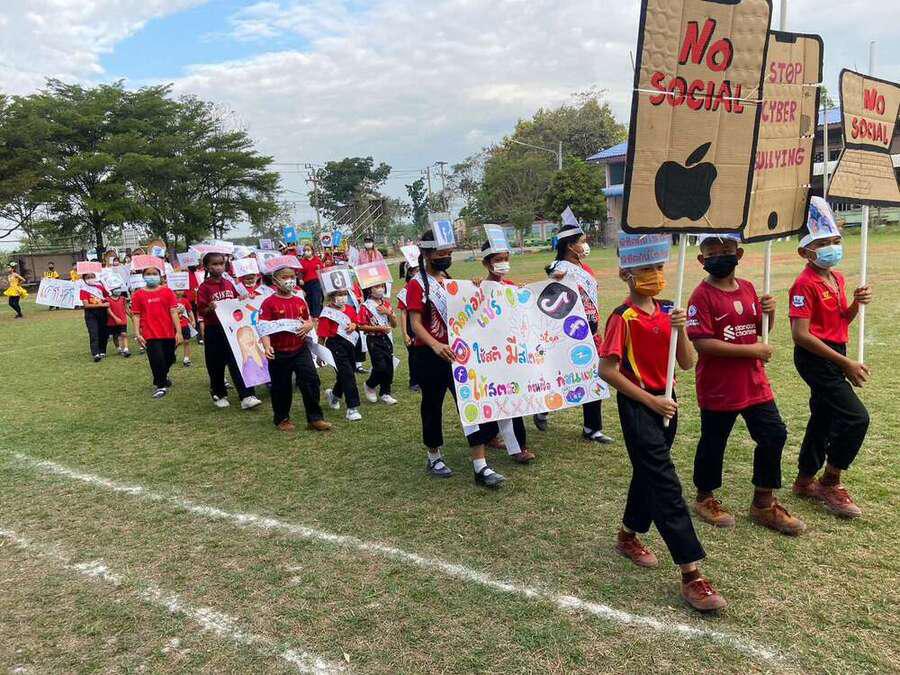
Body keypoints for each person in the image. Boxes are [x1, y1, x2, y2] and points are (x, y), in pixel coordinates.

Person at [598, 234, 725, 612]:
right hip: (640, 407)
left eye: (657, 267)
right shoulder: (622, 317)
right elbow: (607, 370)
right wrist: (649, 400)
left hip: (668, 404)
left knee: (648, 474)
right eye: (645, 269)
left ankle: (627, 535)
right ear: (626, 273)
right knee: (666, 484)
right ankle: (692, 573)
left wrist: (680, 328)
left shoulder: (669, 309)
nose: (654, 274)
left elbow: (686, 362)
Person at [686, 234, 803, 535]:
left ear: (738, 254)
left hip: (753, 382)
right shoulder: (701, 297)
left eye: (726, 250)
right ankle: (704, 497)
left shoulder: (749, 288)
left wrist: (770, 311)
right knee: (714, 442)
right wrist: (752, 351)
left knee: (773, 434)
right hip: (718, 385)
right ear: (701, 260)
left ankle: (763, 502)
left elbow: (761, 330)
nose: (720, 256)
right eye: (712, 252)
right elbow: (702, 343)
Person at [789, 200, 872, 518]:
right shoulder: (803, 284)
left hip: (836, 351)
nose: (831, 248)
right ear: (805, 251)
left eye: (835, 241)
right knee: (856, 417)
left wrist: (856, 304)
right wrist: (844, 364)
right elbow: (801, 335)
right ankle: (830, 480)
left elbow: (840, 321)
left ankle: (804, 480)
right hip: (815, 357)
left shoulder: (836, 278)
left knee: (822, 416)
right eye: (822, 243)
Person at [407, 230, 505, 488]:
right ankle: (434, 456)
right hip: (429, 355)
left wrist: (474, 288)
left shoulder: (450, 281)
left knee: (469, 404)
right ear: (427, 253)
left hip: (457, 354)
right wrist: (435, 345)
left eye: (449, 252)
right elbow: (415, 324)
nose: (446, 257)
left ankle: (480, 465)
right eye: (442, 253)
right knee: (432, 406)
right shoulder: (416, 284)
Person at [544, 222, 612, 443]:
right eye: (581, 241)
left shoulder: (585, 268)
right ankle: (543, 409)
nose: (585, 245)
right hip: (568, 332)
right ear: (569, 245)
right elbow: (551, 283)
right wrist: (555, 275)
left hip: (590, 331)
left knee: (594, 376)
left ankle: (592, 428)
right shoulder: (559, 268)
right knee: (560, 375)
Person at [259, 260, 332, 432]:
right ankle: (282, 419)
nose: (290, 280)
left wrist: (309, 325)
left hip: (300, 349)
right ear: (275, 280)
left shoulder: (299, 301)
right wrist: (267, 346)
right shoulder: (268, 303)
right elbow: (263, 327)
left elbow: (308, 321)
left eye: (292, 277)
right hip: (279, 352)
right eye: (285, 277)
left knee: (311, 381)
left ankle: (315, 419)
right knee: (281, 386)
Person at [480, 240, 535, 464]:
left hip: (512, 352)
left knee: (509, 397)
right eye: (497, 260)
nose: (503, 263)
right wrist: (477, 289)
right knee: (506, 399)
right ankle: (518, 447)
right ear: (486, 263)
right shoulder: (479, 288)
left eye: (505, 259)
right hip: (490, 355)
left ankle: (489, 436)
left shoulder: (510, 286)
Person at [196, 252, 263, 411]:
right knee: (216, 363)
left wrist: (242, 299)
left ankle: (247, 395)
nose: (218, 267)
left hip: (231, 329)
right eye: (214, 264)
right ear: (207, 267)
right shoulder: (204, 288)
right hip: (214, 329)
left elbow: (238, 301)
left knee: (238, 360)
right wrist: (209, 308)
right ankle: (219, 394)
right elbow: (201, 310)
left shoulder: (229, 283)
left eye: (221, 264)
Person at [131, 265, 182, 399]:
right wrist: (137, 333)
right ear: (143, 276)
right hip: (150, 334)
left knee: (170, 358)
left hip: (168, 332)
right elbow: (136, 315)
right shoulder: (138, 295)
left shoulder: (168, 292)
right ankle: (161, 385)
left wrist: (179, 332)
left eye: (154, 273)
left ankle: (162, 376)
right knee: (156, 359)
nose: (151, 276)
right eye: (148, 274)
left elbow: (174, 312)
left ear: (160, 276)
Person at [318, 288, 363, 421]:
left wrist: (354, 325)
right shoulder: (327, 313)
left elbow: (356, 322)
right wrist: (320, 354)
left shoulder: (350, 309)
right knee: (348, 374)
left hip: (350, 344)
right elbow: (322, 336)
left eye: (344, 294)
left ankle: (334, 395)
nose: (342, 297)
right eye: (339, 294)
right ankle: (352, 408)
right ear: (332, 296)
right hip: (335, 345)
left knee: (347, 373)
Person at [358, 283, 398, 405]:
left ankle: (385, 393)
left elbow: (394, 324)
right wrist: (378, 328)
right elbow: (361, 326)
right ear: (369, 289)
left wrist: (388, 313)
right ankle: (370, 385)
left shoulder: (386, 304)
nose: (380, 289)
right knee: (380, 366)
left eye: (382, 286)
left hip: (386, 338)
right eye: (376, 287)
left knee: (389, 366)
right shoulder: (365, 306)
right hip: (373, 339)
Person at [396, 262, 421, 392]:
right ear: (410, 272)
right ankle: (414, 382)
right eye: (416, 270)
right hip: (412, 328)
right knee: (414, 355)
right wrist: (405, 333)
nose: (419, 272)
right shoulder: (405, 290)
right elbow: (403, 313)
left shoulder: (426, 285)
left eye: (420, 269)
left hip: (424, 326)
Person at [78, 272, 110, 361]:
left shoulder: (100, 286)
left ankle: (102, 350)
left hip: (102, 313)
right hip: (91, 314)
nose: (91, 278)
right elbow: (86, 305)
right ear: (84, 279)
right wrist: (101, 305)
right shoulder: (83, 289)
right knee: (93, 333)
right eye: (88, 277)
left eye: (92, 276)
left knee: (103, 332)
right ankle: (95, 353)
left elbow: (106, 296)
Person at [299, 245, 325, 317]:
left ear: (312, 251)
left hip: (316, 282)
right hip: (306, 283)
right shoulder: (302, 262)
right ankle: (310, 315)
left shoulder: (317, 260)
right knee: (309, 299)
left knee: (316, 299)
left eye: (308, 250)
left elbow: (322, 270)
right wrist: (300, 279)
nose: (306, 252)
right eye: (305, 250)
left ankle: (317, 315)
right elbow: (300, 272)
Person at [106, 288, 131, 357]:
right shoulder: (107, 299)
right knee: (115, 336)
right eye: (116, 289)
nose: (118, 290)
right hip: (112, 322)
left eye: (119, 288)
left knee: (124, 334)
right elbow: (108, 310)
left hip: (122, 320)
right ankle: (118, 348)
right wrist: (115, 318)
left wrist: (131, 316)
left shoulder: (123, 299)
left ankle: (126, 349)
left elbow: (126, 308)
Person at [175, 290, 195, 366]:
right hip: (175, 325)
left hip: (185, 324)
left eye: (181, 290)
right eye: (178, 290)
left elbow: (189, 311)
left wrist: (193, 320)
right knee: (176, 342)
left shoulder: (185, 300)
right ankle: (172, 353)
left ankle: (186, 359)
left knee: (186, 341)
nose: (180, 292)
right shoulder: (171, 300)